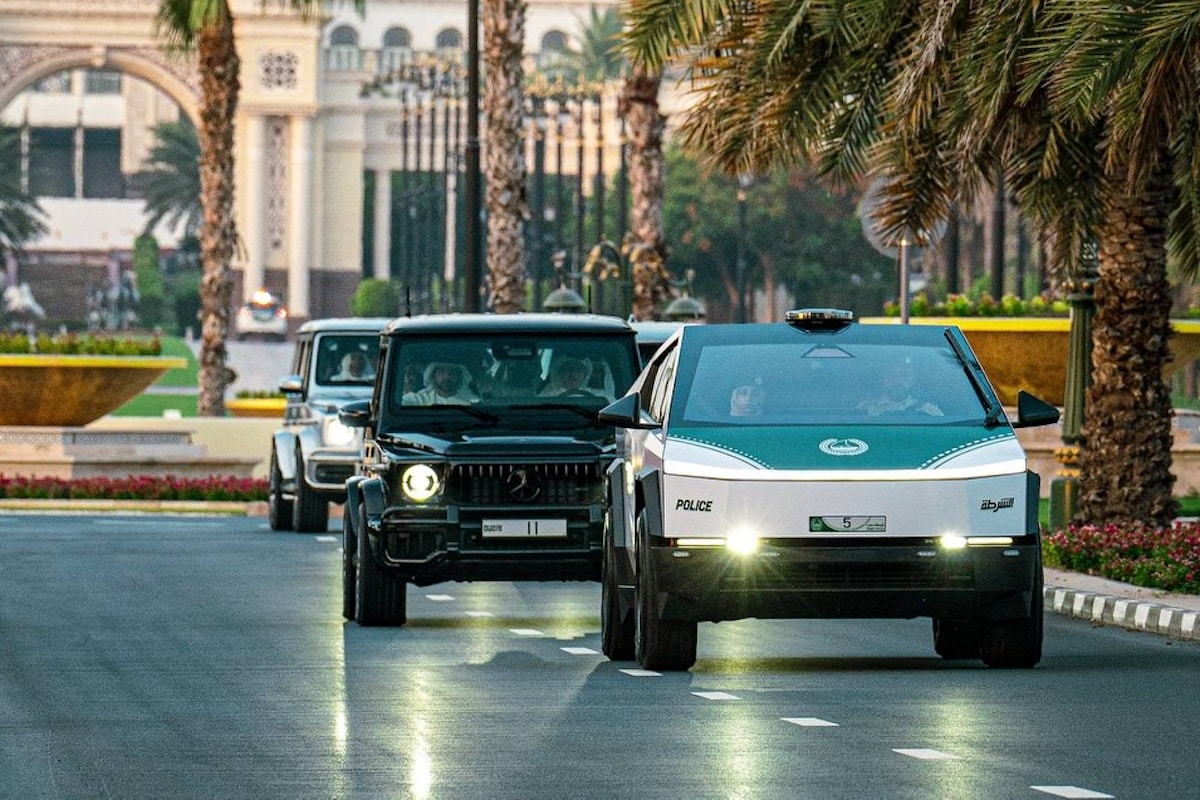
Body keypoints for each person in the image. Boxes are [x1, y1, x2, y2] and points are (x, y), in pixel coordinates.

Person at [858, 358, 943, 416]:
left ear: (912, 381)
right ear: (883, 378)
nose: (898, 380)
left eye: (904, 375)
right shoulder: (866, 408)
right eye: (893, 375)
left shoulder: (928, 410)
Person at [403, 361, 479, 405]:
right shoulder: (421, 399)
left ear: (458, 377)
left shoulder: (471, 401)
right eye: (442, 371)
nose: (447, 376)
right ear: (433, 375)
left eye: (452, 372)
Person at [539, 357, 605, 398]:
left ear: (585, 375)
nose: (573, 375)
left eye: (578, 371)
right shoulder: (547, 396)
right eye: (569, 370)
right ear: (560, 374)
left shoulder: (600, 396)